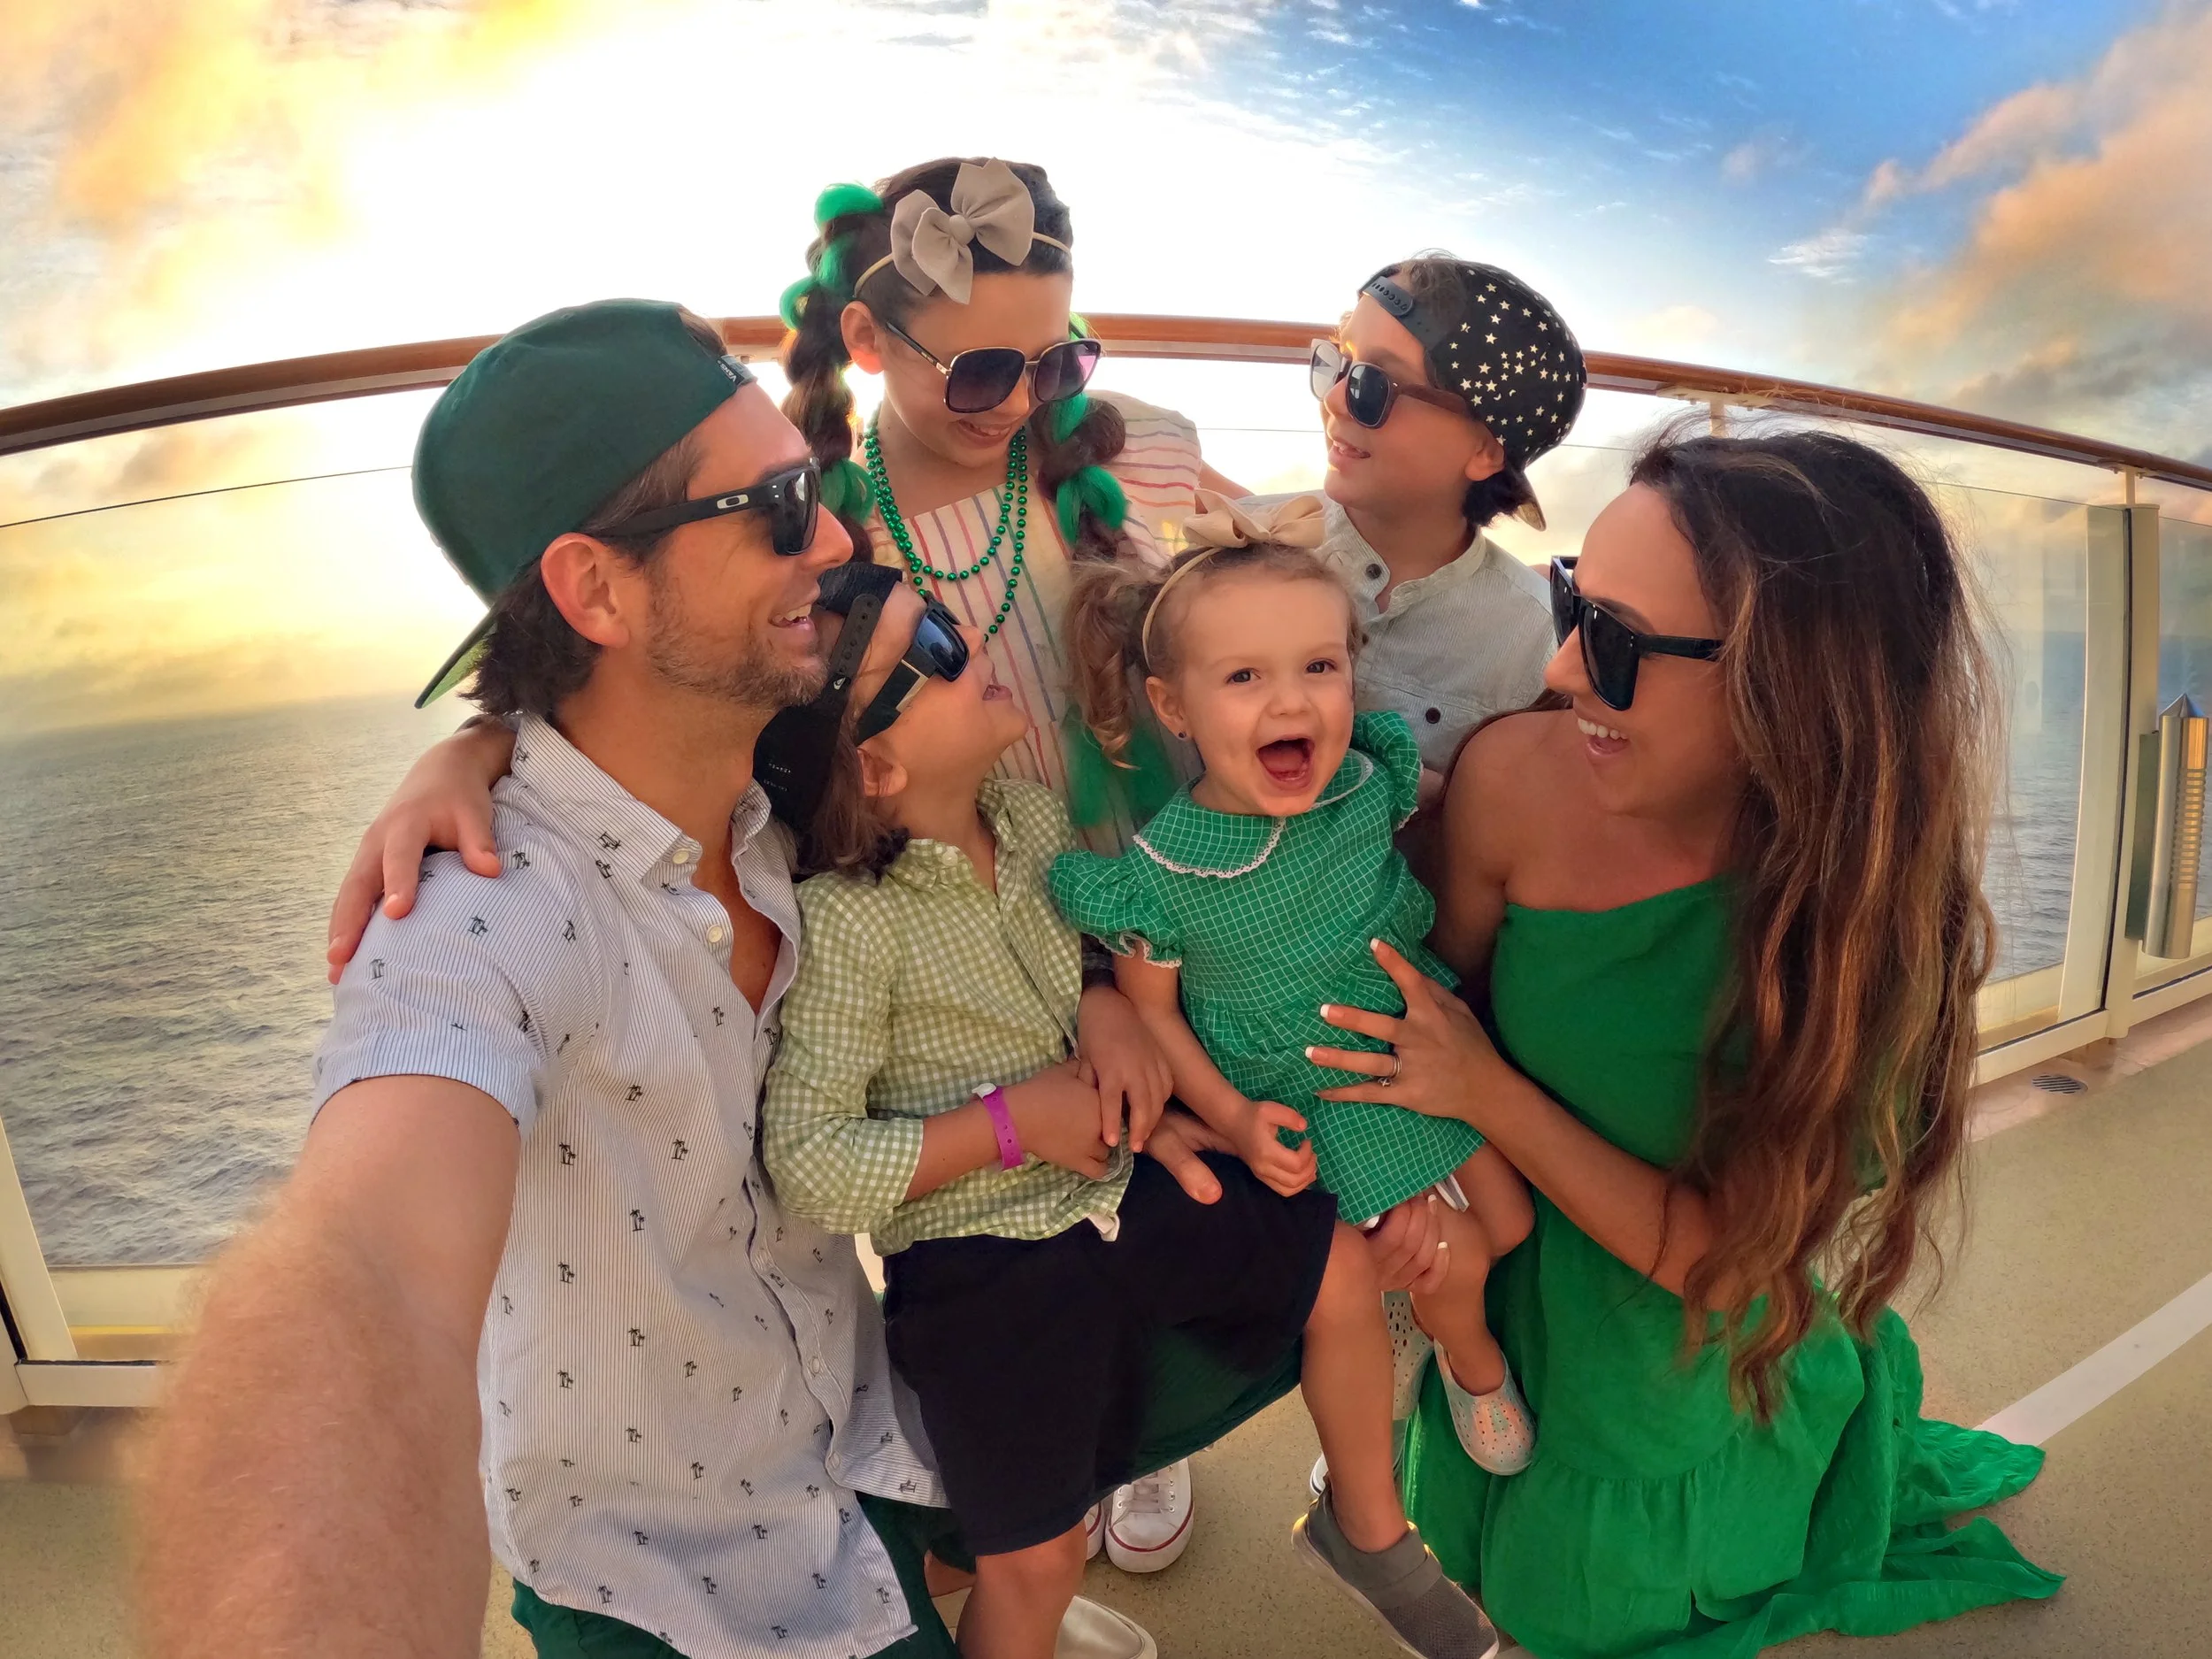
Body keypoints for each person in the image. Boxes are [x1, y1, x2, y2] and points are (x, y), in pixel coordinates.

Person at [137, 299, 1204, 1659]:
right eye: (776, 509)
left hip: (855, 1432)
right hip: (667, 1577)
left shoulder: (766, 769)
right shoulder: (481, 916)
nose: (831, 536)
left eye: (816, 491)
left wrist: (1102, 989)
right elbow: (366, 1279)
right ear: (595, 592)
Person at [1305, 426, 2064, 1656]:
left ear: (1796, 685)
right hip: (1495, 1297)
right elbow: (1424, 1002)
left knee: (1570, 1607)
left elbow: (1730, 1265)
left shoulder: (1863, 942)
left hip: (1673, 1360)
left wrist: (1493, 1094)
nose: (1557, 669)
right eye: (1572, 603)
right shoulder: (1513, 780)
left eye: (1613, 639)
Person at [753, 562, 1495, 1657]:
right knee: (1034, 1556)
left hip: (1118, 1184)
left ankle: (1369, 1529)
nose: (978, 649)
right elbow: (811, 1161)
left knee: (1338, 1265)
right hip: (982, 1256)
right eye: (942, 652)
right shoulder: (850, 924)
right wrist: (1014, 1126)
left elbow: (1105, 963)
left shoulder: (1029, 819)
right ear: (875, 762)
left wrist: (1105, 1009)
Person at [1049, 498, 1538, 1486]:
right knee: (1449, 1254)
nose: (1292, 704)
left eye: (1319, 667)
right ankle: (1467, 1360)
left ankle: (1437, 1332)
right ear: (1173, 708)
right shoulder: (1166, 869)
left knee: (1515, 1220)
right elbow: (1150, 1011)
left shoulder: (1365, 781)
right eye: (1243, 678)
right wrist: (1230, 1116)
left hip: (1412, 1036)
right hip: (1311, 1088)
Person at [1247, 255, 1581, 777]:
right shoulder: (1244, 545)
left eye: (1375, 384)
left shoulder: (1533, 649)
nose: (1335, 399)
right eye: (1339, 363)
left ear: (1486, 450)